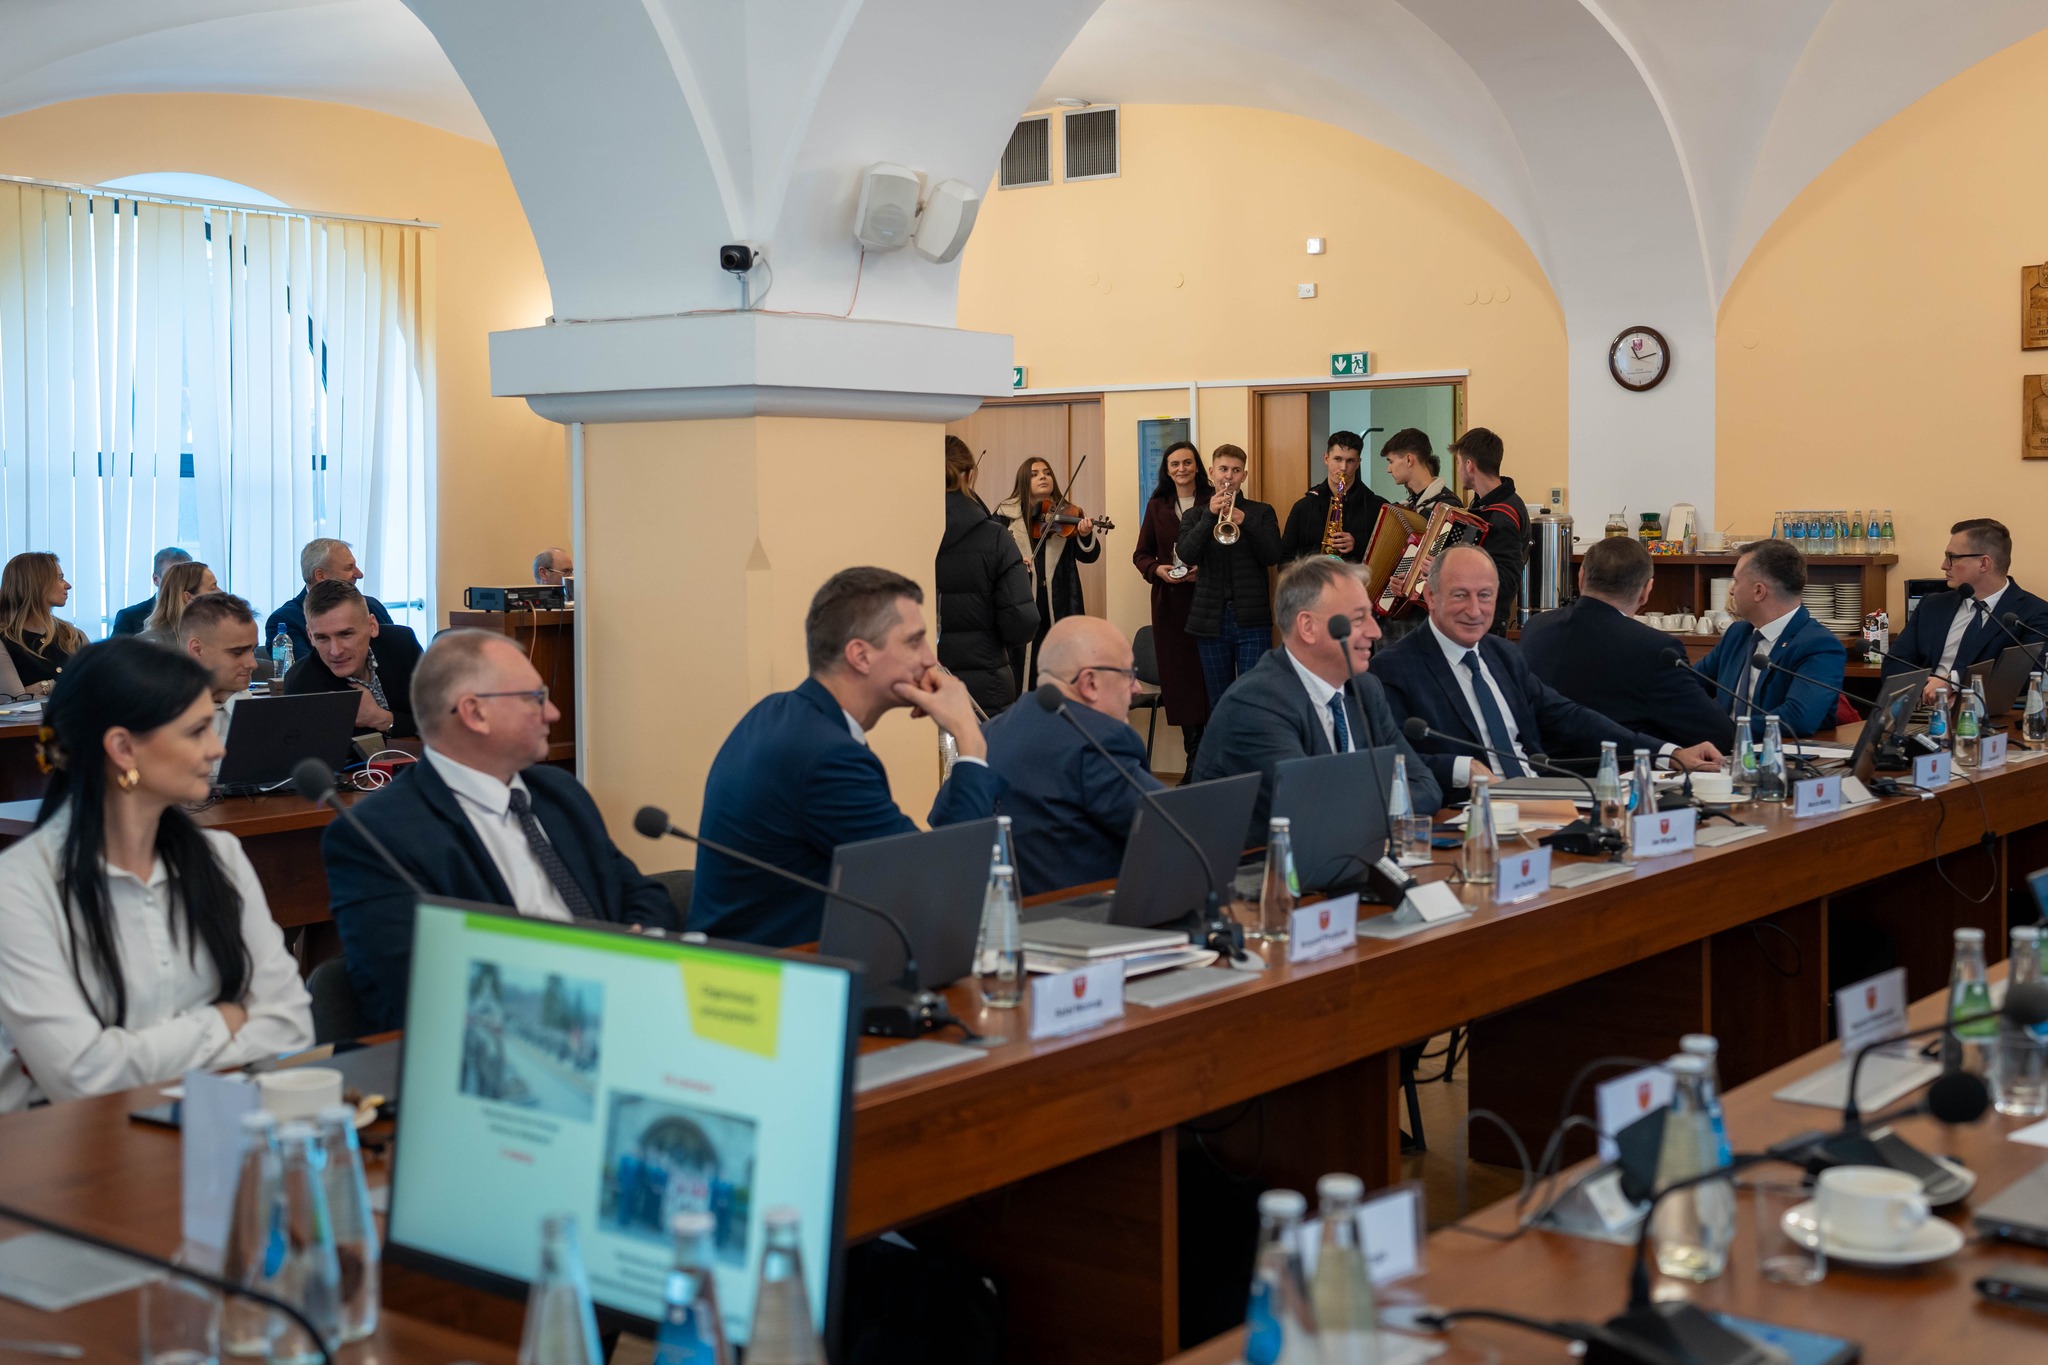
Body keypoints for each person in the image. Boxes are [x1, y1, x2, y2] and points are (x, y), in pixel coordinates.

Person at [0, 639, 311, 1109]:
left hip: (206, 1125)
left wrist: (131, 1052)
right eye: (197, 731)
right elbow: (81, 1077)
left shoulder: (220, 856)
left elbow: (292, 1023)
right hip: (64, 1144)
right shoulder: (20, 888)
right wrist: (225, 1020)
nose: (217, 749)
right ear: (123, 748)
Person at [322, 630, 679, 1031]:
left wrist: (639, 953)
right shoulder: (378, 836)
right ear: (475, 713)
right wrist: (590, 989)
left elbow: (644, 896)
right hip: (509, 1045)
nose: (552, 713)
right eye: (535, 698)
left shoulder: (559, 793)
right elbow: (417, 994)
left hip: (629, 1019)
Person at [688, 567, 1006, 947]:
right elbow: (941, 890)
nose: (929, 659)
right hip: (772, 976)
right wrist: (969, 739)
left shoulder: (780, 714)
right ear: (860, 655)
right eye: (914, 642)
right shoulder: (825, 757)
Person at [1372, 546, 1721, 796]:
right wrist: (1462, 769)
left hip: (1540, 798)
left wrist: (1669, 754)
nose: (1475, 610)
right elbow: (1389, 760)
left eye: (1485, 596)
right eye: (1460, 595)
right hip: (1467, 813)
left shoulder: (1502, 654)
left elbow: (1570, 717)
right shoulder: (1393, 669)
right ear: (1431, 597)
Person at [1191, 556, 1444, 841]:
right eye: (1358, 619)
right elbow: (1311, 810)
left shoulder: (1365, 689)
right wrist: (1385, 797)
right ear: (1308, 627)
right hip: (1264, 865)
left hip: (1343, 854)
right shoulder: (1258, 704)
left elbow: (1424, 787)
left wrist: (1358, 801)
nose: (1375, 632)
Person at [981, 617, 1159, 895]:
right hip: (1087, 913)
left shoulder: (988, 734)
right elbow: (1170, 828)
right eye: (1129, 674)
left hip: (1004, 911)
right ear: (1090, 683)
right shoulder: (1098, 741)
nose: (1136, 688)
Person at [1521, 537, 1736, 750]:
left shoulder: (1535, 627)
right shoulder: (1655, 649)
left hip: (1532, 764)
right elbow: (1720, 736)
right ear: (1646, 591)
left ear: (1581, 577)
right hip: (1615, 767)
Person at [1884, 518, 2048, 703]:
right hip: (1925, 709)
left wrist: (1954, 684)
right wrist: (1929, 691)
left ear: (1984, 563)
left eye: (1952, 557)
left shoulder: (2034, 613)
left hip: (1986, 714)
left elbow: (2029, 675)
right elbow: (1893, 664)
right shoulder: (1932, 605)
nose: (1944, 565)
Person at [1696, 539, 1846, 739]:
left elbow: (1798, 718)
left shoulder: (1819, 646)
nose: (1731, 590)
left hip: (1776, 753)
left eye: (1736, 581)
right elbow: (1689, 684)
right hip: (1718, 749)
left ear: (1759, 591)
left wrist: (1725, 730)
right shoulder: (1737, 634)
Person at [1175, 444, 1285, 707]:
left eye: (1236, 470)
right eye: (1223, 469)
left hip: (1252, 620)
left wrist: (1246, 521)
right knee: (1219, 701)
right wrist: (1209, 518)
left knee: (1254, 699)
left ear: (1244, 475)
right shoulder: (1194, 515)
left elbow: (1273, 555)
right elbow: (1187, 554)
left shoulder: (1262, 512)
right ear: (1212, 472)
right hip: (1209, 620)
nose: (1228, 476)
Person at [937, 435, 1038, 714]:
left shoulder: (901, 533)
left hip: (919, 685)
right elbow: (1021, 625)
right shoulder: (995, 537)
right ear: (970, 475)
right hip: (984, 689)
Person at [1131, 440, 1214, 773]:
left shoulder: (1214, 500)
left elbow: (1227, 551)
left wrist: (1204, 572)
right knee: (1180, 684)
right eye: (1175, 464)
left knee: (1209, 679)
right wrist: (1158, 570)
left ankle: (1209, 761)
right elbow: (1141, 554)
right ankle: (1193, 759)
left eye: (1187, 462)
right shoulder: (1156, 506)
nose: (1182, 469)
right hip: (1170, 607)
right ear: (1166, 470)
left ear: (1197, 467)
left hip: (1208, 601)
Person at [995, 458, 1104, 691]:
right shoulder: (1004, 516)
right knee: (1025, 666)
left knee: (1060, 666)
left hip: (1060, 601)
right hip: (1022, 602)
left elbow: (1089, 556)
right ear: (1023, 481)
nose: (1043, 477)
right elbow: (994, 560)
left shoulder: (1068, 514)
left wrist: (1085, 534)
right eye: (1034, 474)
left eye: (1047, 473)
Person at [282, 579, 424, 738]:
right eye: (322, 638)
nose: (335, 651)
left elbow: (440, 721)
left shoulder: (401, 645)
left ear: (372, 626)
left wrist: (381, 719)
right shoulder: (303, 684)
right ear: (310, 636)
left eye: (345, 634)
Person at [264, 538, 396, 659]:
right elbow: (304, 673)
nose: (359, 574)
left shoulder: (372, 606)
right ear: (321, 575)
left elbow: (396, 656)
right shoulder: (285, 620)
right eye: (349, 568)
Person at [1454, 428, 1528, 634]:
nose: (1458, 469)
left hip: (1485, 624)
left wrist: (1450, 573)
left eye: (1458, 463)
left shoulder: (1503, 515)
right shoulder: (1484, 505)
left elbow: (1505, 582)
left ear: (1469, 465)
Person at [1280, 430, 1384, 563]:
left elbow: (1386, 557)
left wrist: (1357, 544)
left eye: (1350, 461)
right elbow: (1285, 558)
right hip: (1314, 576)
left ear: (1358, 463)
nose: (1343, 467)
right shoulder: (1303, 507)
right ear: (1326, 458)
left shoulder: (1377, 507)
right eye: (1338, 459)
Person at [176, 592, 262, 750]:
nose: (253, 664)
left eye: (253, 650)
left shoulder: (246, 703)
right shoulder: (161, 717)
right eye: (237, 652)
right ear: (197, 650)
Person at [0, 552, 89, 694]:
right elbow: (15, 701)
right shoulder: (5, 640)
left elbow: (99, 686)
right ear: (37, 584)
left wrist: (43, 687)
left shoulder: (74, 635)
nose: (68, 585)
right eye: (60, 578)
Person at [112, 547, 193, 636]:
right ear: (156, 579)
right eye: (172, 576)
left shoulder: (197, 614)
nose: (180, 581)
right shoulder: (128, 617)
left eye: (186, 576)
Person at [139, 561, 220, 645]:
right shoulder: (150, 643)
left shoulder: (216, 634)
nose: (221, 592)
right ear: (188, 597)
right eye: (213, 588)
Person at [1381, 429, 1458, 517]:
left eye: (1391, 462)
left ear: (1409, 460)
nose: (1388, 470)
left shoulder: (1448, 507)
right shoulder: (1408, 505)